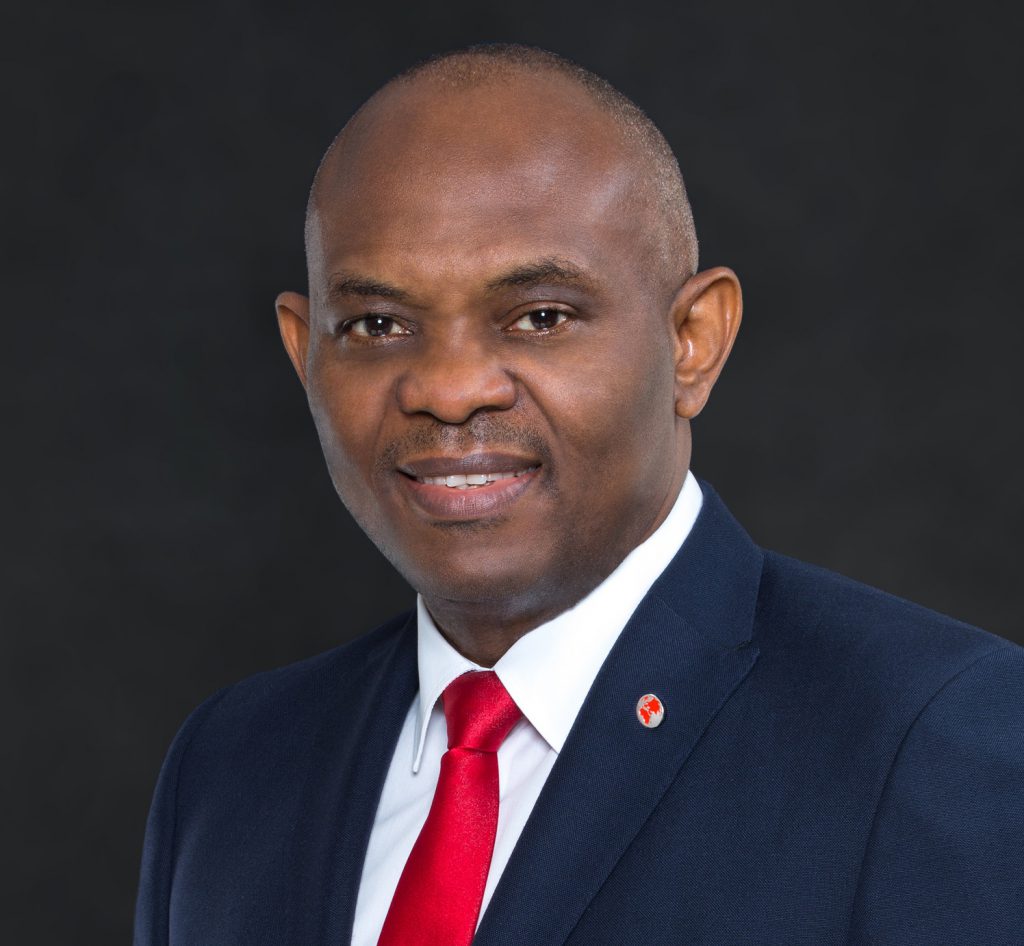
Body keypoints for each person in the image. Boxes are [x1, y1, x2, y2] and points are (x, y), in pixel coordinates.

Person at [134, 44, 1024, 946]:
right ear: (305, 355)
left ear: (693, 342)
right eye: (378, 324)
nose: (450, 389)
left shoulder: (930, 742)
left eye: (540, 316)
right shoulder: (234, 766)